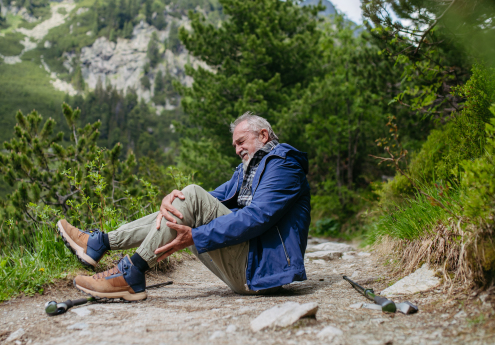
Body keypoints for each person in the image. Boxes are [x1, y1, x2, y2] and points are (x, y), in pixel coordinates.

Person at [57, 112, 311, 301]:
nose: (237, 149)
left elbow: (257, 217)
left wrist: (196, 235)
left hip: (260, 271)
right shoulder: (249, 169)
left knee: (189, 195)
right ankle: (100, 243)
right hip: (250, 264)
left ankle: (131, 272)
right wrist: (172, 198)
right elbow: (207, 199)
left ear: (263, 135)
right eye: (235, 144)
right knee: (183, 198)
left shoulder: (284, 166)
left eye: (241, 141)